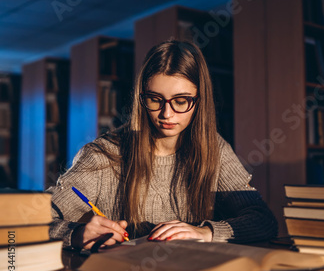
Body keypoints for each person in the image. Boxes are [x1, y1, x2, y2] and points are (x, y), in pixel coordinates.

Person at [49, 40, 278, 250]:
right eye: (154, 100)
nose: (166, 114)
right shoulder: (103, 155)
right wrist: (76, 234)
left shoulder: (214, 149)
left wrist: (205, 232)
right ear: (141, 98)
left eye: (181, 101)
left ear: (200, 101)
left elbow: (262, 219)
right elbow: (30, 222)